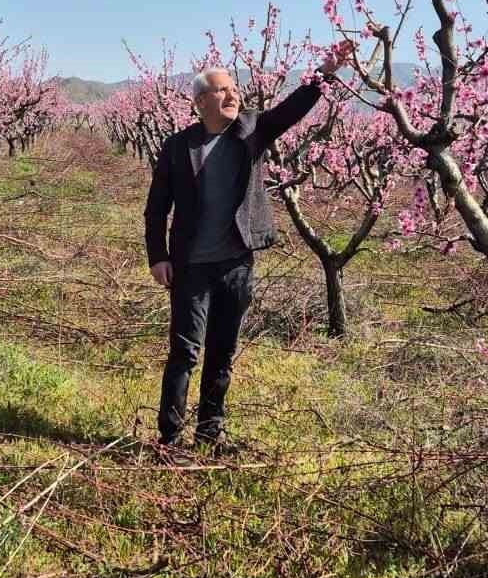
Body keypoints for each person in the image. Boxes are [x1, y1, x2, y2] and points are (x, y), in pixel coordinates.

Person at [143, 52, 345, 456]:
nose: (234, 95)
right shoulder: (178, 147)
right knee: (185, 352)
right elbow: (156, 207)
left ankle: (210, 433)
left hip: (236, 265)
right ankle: (170, 439)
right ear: (201, 101)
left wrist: (325, 74)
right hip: (190, 267)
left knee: (222, 351)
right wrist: (158, 256)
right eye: (223, 90)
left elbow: (292, 110)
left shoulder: (251, 130)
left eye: (235, 89)